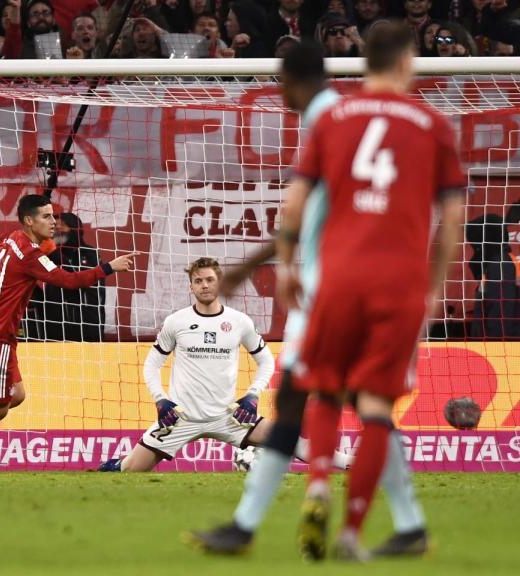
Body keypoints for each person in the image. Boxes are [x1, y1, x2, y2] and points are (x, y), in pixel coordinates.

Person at [189, 41, 431, 559]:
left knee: (308, 400)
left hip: (330, 292)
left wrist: (255, 268)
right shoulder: (354, 118)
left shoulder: (331, 122)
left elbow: (300, 217)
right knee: (358, 404)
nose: (277, 93)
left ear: (294, 80)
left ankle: (260, 518)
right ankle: (404, 521)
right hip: (364, 287)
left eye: (280, 82)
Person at [284, 25, 464, 560]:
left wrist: (291, 265)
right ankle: (351, 532)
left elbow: (295, 201)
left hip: (337, 276)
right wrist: (434, 286)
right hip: (398, 283)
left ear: (365, 63)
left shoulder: (333, 116)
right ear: (407, 61)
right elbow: (453, 218)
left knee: (324, 388)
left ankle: (317, 483)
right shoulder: (433, 123)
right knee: (376, 406)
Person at [0, 194, 136, 473]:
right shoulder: (31, 256)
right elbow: (68, 281)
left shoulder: (7, 239)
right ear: (28, 220)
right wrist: (109, 267)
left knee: (16, 394)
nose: (54, 223)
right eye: (47, 217)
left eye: (54, 216)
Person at [97, 257, 350, 472]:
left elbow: (265, 361)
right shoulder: (176, 322)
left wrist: (252, 395)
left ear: (218, 282)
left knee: (290, 438)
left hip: (228, 416)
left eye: (209, 280)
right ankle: (117, 465)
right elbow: (152, 364)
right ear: (191, 287)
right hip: (181, 418)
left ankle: (352, 463)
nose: (204, 286)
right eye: (198, 281)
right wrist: (161, 400)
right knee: (131, 469)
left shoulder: (239, 322)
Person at [40, 212, 105, 342]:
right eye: (55, 225)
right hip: (55, 326)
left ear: (75, 228)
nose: (57, 228)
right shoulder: (49, 254)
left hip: (86, 326)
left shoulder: (89, 253)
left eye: (63, 225)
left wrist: (55, 255)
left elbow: (79, 280)